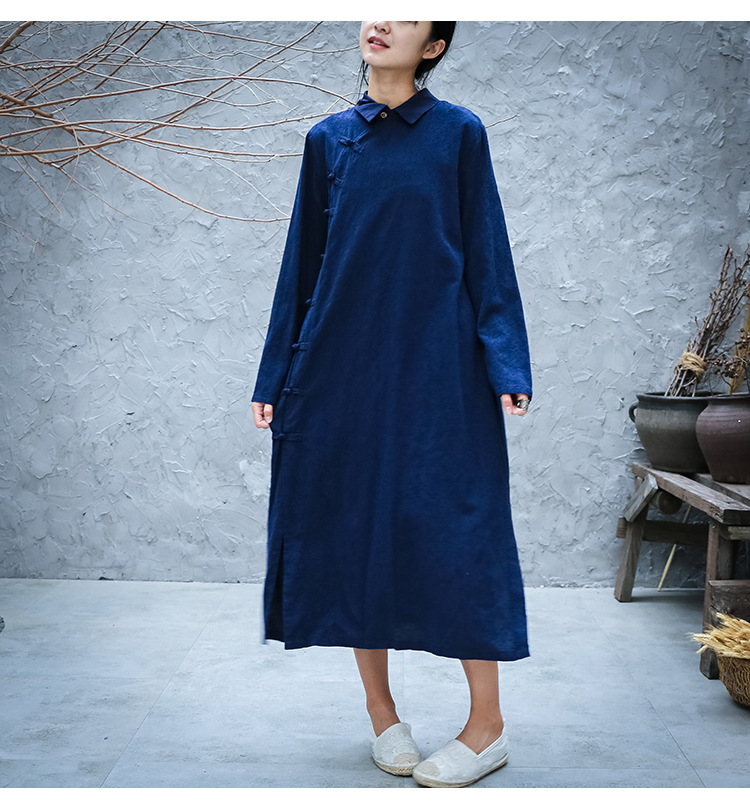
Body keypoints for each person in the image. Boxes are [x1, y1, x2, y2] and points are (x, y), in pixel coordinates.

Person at [251, 21, 532, 788]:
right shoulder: (328, 141)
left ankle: (487, 726)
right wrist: (274, 374)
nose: (381, 22)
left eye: (408, 15)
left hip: (442, 367)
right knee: (354, 529)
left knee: (462, 533)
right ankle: (383, 714)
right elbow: (301, 266)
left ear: (433, 47)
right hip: (340, 368)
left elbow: (487, 251)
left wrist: (505, 358)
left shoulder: (458, 134)